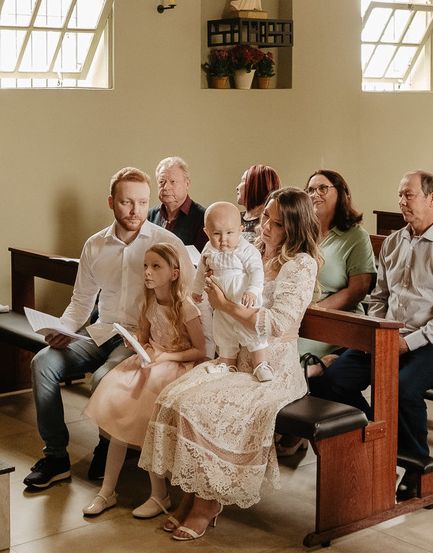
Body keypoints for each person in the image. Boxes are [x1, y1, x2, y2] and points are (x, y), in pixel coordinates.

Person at [141, 188, 321, 541]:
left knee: (204, 408)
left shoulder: (301, 264)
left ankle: (207, 505)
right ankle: (192, 495)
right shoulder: (248, 245)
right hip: (231, 356)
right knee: (176, 396)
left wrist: (224, 305)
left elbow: (279, 324)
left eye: (275, 222)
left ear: (295, 228)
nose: (264, 225)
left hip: (270, 367)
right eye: (265, 216)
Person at [310, 170, 433, 500]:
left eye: (409, 195)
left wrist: (407, 342)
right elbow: (380, 298)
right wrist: (376, 332)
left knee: (402, 390)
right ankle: (375, 443)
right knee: (329, 380)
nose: (401, 201)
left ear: (432, 199)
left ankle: (416, 467)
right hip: (387, 335)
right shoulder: (393, 242)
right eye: (400, 195)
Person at [23, 167, 192, 490]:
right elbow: (81, 301)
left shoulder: (167, 244)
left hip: (142, 338)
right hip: (101, 330)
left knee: (104, 379)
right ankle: (56, 457)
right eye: (127, 202)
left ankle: (107, 447)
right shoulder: (95, 245)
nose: (136, 211)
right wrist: (62, 328)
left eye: (143, 203)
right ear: (112, 202)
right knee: (42, 363)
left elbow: (185, 298)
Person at [80, 244, 206, 519]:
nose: (147, 272)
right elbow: (146, 337)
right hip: (151, 363)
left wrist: (165, 357)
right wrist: (135, 342)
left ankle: (158, 493)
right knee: (118, 418)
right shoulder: (148, 302)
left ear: (174, 273)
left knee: (147, 418)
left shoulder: (186, 307)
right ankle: (107, 491)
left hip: (176, 366)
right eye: (145, 266)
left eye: (155, 266)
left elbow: (200, 351)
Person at [300, 170, 376, 361]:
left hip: (333, 319)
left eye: (322, 188)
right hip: (298, 313)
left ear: (341, 193)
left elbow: (357, 290)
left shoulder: (356, 236)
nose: (314, 194)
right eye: (310, 190)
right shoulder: (301, 233)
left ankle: (321, 366)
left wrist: (315, 311)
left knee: (289, 355)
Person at [201, 202, 270, 381]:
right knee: (223, 333)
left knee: (252, 333)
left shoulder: (246, 250)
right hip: (220, 305)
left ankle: (261, 364)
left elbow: (256, 271)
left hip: (242, 301)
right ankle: (227, 364)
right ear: (207, 233)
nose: (223, 239)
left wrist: (253, 290)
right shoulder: (208, 249)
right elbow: (200, 271)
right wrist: (196, 290)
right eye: (216, 234)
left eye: (229, 233)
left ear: (240, 231)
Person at [147, 156, 207, 249]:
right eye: (161, 182)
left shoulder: (203, 218)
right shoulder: (148, 216)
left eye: (173, 182)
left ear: (187, 184)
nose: (166, 187)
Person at [235, 164, 281, 243]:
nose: (237, 187)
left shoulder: (267, 225)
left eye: (243, 181)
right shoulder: (234, 218)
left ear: (257, 186)